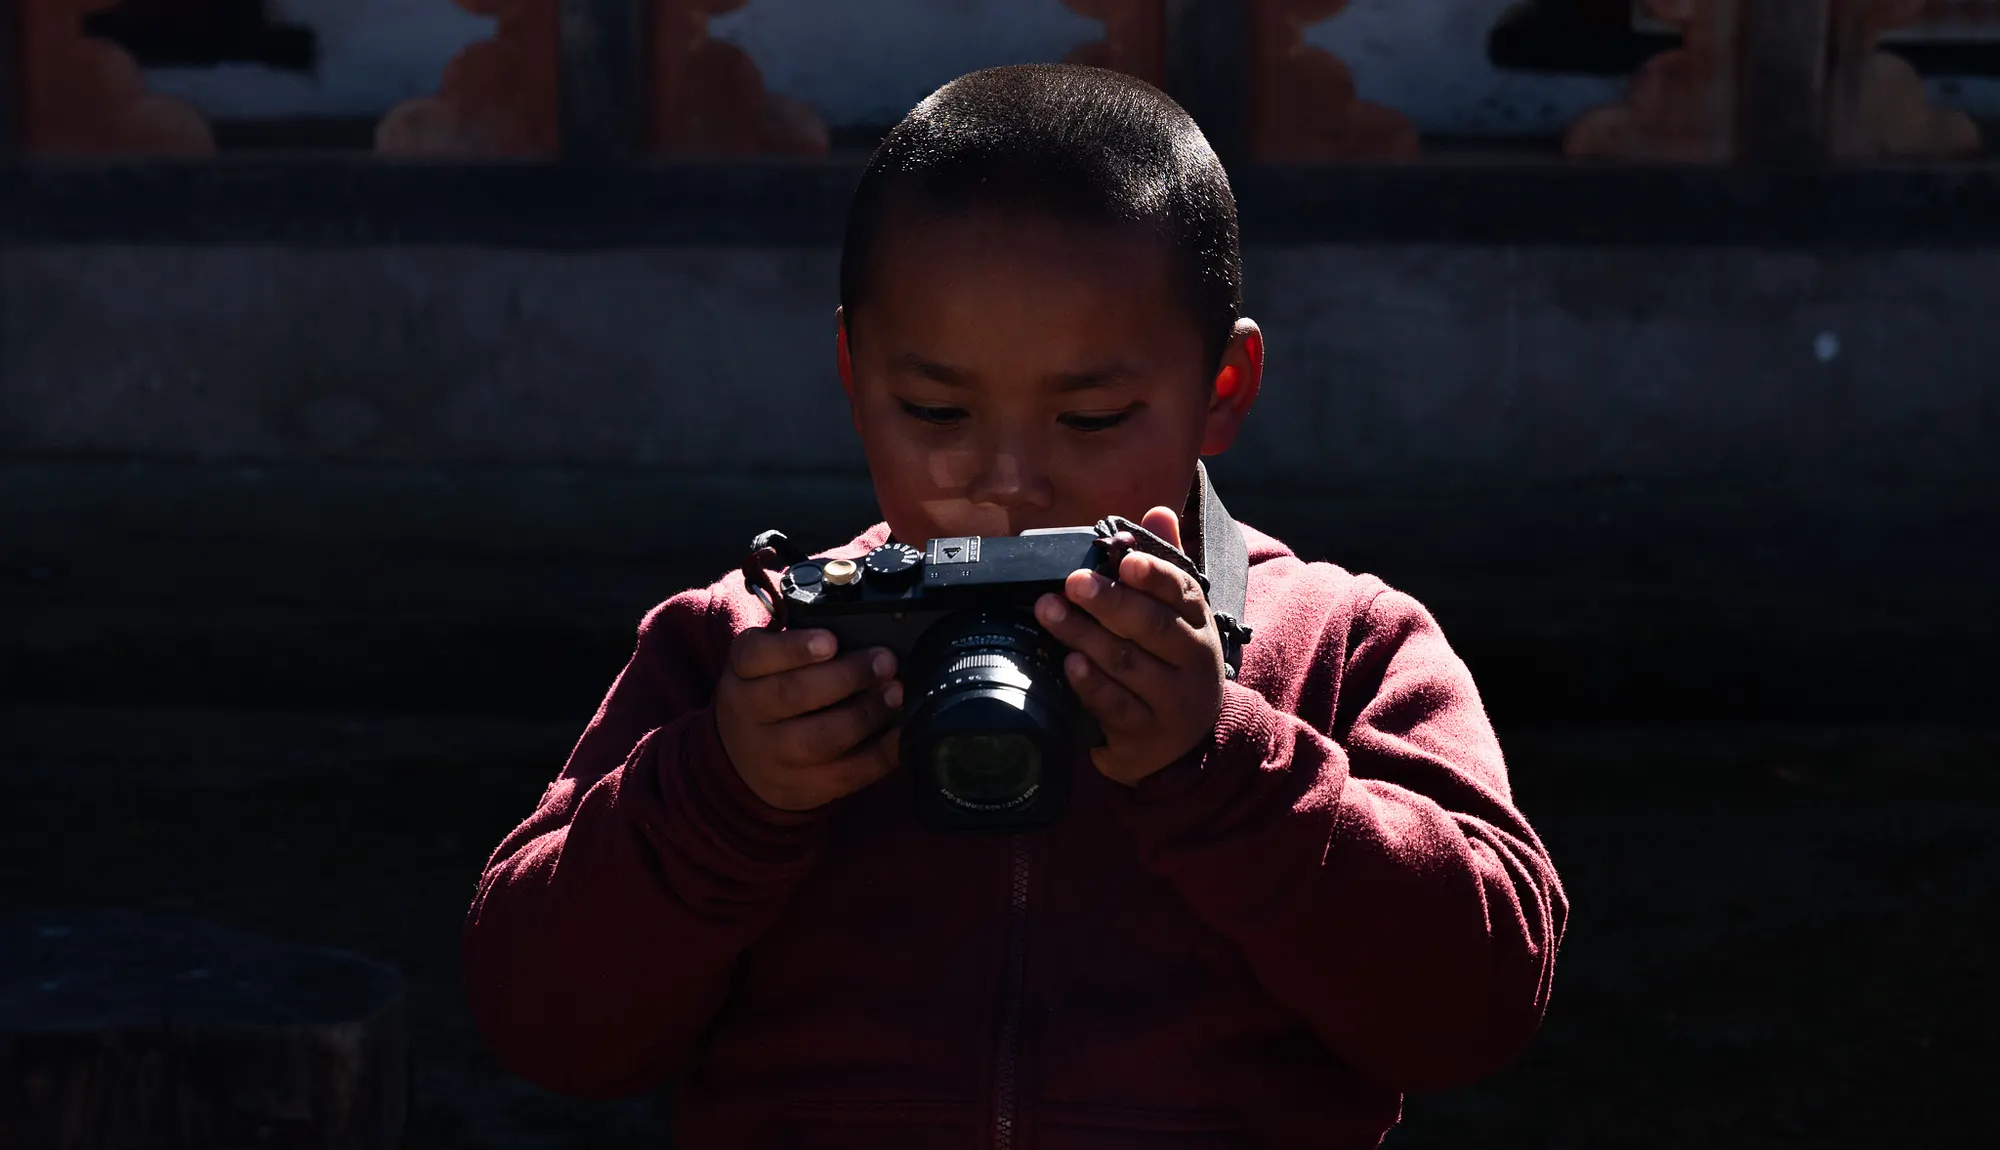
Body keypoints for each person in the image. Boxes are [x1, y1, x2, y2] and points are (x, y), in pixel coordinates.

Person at [464, 63, 1567, 1149]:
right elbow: (544, 1024)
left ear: (1220, 389)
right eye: (934, 409)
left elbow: (1476, 1010)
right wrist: (727, 795)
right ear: (853, 375)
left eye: (1090, 419)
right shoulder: (752, 653)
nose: (1008, 481)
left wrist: (1225, 770)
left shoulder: (1339, 646)